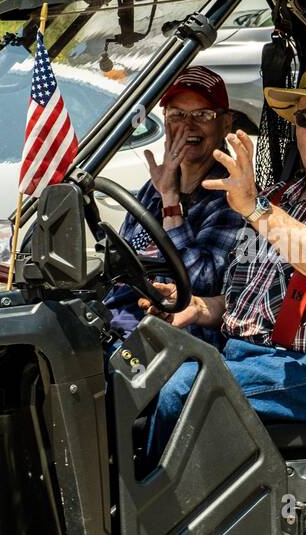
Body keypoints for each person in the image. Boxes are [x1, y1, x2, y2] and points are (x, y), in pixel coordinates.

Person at [142, 49, 306, 461]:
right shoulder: (280, 198)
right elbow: (243, 304)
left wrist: (255, 209)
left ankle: (154, 516)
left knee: (185, 390)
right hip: (250, 360)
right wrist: (197, 308)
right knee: (132, 368)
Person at [103, 67, 245, 339]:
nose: (187, 126)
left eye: (202, 115)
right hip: (126, 317)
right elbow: (123, 260)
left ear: (225, 124)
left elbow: (201, 282)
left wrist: (171, 203)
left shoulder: (231, 194)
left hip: (183, 335)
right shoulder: (155, 185)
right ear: (166, 121)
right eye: (177, 115)